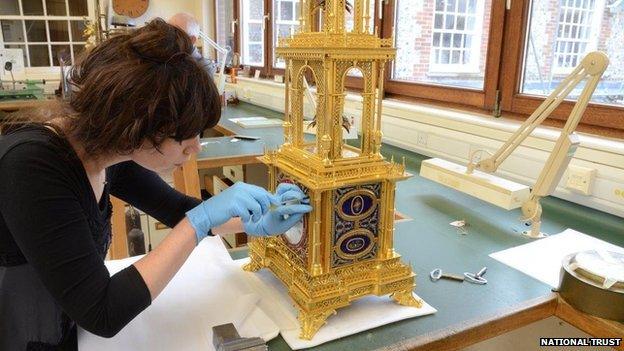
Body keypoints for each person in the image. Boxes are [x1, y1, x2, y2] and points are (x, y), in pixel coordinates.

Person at [0, 19, 311, 350]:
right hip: (25, 331)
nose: (195, 149)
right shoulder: (31, 168)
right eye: (185, 136)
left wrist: (256, 221)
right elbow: (101, 311)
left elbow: (178, 210)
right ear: (136, 127)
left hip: (66, 317)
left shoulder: (109, 148)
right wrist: (200, 220)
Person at [168, 12, 218, 78]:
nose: (168, 36)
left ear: (192, 40)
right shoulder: (167, 55)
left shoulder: (202, 68)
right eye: (168, 30)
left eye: (176, 33)